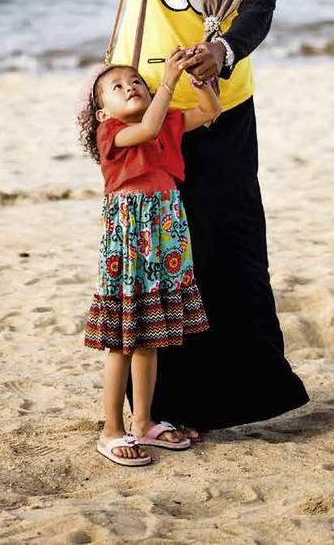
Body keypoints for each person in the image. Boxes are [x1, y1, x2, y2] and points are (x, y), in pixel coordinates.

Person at [91, 0, 309, 437]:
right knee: (156, 259)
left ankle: (241, 400)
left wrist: (222, 51)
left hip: (220, 110)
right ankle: (158, 411)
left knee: (225, 251)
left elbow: (259, 11)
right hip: (145, 110)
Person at [78, 51, 222, 466]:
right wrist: (168, 82)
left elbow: (210, 110)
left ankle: (143, 422)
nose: (130, 87)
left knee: (150, 336)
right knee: (122, 340)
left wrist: (198, 79)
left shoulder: (165, 124)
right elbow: (147, 126)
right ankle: (111, 429)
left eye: (136, 81)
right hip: (129, 235)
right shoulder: (112, 135)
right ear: (103, 113)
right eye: (117, 87)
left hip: (163, 227)